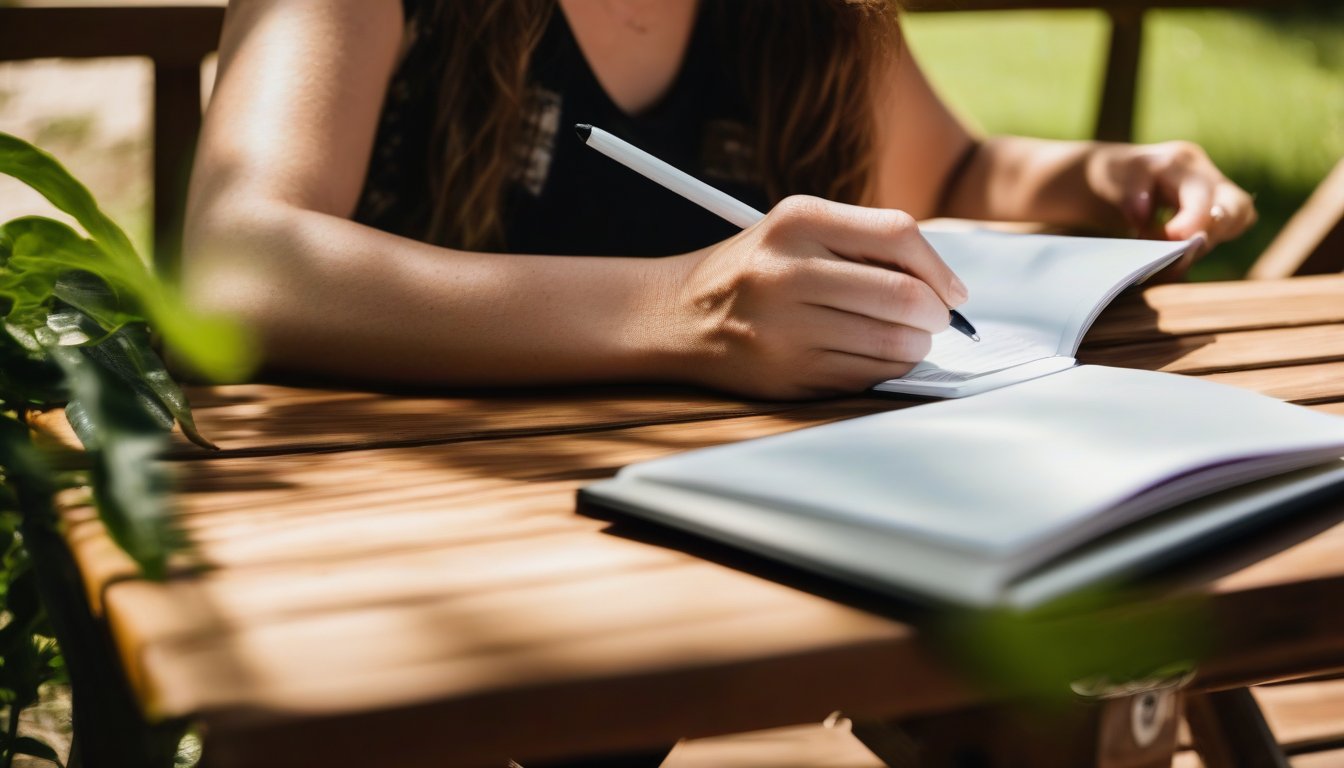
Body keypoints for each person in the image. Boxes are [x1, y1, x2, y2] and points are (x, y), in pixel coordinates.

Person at [183, 0, 1255, 399]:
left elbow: (952, 173)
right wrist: (681, 309)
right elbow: (243, 262)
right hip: (416, 529)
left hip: (716, 540)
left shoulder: (808, 18)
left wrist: (1097, 176)